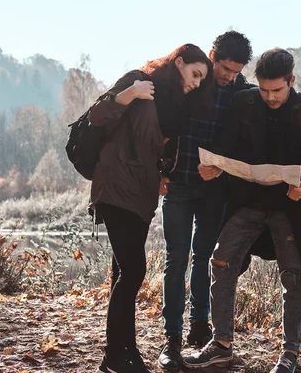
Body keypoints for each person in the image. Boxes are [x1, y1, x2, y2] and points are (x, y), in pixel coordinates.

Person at [183, 48, 301, 373]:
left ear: (291, 80)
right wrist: (214, 166)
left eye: (277, 90)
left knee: (293, 276)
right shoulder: (244, 102)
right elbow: (225, 145)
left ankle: (289, 354)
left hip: (291, 206)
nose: (270, 97)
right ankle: (221, 345)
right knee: (220, 261)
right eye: (264, 90)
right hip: (248, 202)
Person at [88, 43, 214, 373]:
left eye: (203, 79)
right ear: (179, 62)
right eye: (195, 74)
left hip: (142, 196)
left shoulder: (174, 105)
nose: (198, 82)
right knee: (134, 270)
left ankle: (121, 353)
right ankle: (117, 355)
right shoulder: (141, 81)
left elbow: (156, 149)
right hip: (115, 187)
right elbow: (97, 115)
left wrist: (164, 171)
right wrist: (131, 93)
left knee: (123, 272)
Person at [158, 31, 253, 370]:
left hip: (215, 190)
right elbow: (162, 127)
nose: (229, 77)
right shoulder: (191, 81)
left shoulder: (241, 92)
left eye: (236, 71)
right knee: (176, 258)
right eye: (225, 69)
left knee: (205, 258)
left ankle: (199, 327)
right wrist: (159, 171)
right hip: (179, 185)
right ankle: (171, 338)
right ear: (213, 56)